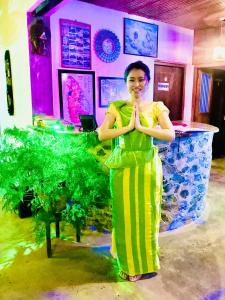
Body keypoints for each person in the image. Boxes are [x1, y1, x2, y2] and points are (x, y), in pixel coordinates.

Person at [97, 61, 175, 281]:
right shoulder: (117, 107)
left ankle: (145, 262)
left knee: (146, 216)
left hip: (147, 168)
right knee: (124, 217)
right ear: (126, 82)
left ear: (148, 81)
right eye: (132, 79)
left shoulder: (156, 107)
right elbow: (103, 134)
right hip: (123, 168)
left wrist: (142, 128)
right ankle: (127, 261)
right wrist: (128, 128)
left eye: (141, 79)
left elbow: (170, 134)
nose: (137, 84)